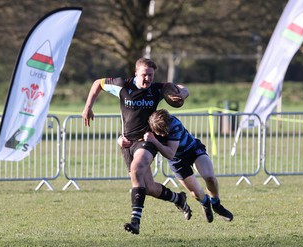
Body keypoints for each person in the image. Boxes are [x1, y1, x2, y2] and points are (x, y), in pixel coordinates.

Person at [82, 58, 191, 235]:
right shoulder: (121, 85)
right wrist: (88, 107)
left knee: (137, 167)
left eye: (151, 75)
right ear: (135, 74)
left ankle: (135, 222)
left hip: (147, 140)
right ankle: (179, 198)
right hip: (127, 143)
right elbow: (97, 83)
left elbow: (184, 89)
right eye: (144, 75)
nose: (147, 78)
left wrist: (180, 95)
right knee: (149, 188)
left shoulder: (157, 89)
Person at [144, 109, 233, 223]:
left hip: (192, 150)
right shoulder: (149, 127)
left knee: (209, 177)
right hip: (177, 161)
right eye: (162, 132)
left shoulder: (174, 124)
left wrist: (154, 141)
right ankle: (205, 203)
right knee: (196, 193)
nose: (165, 134)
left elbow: (170, 153)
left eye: (166, 131)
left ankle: (216, 204)